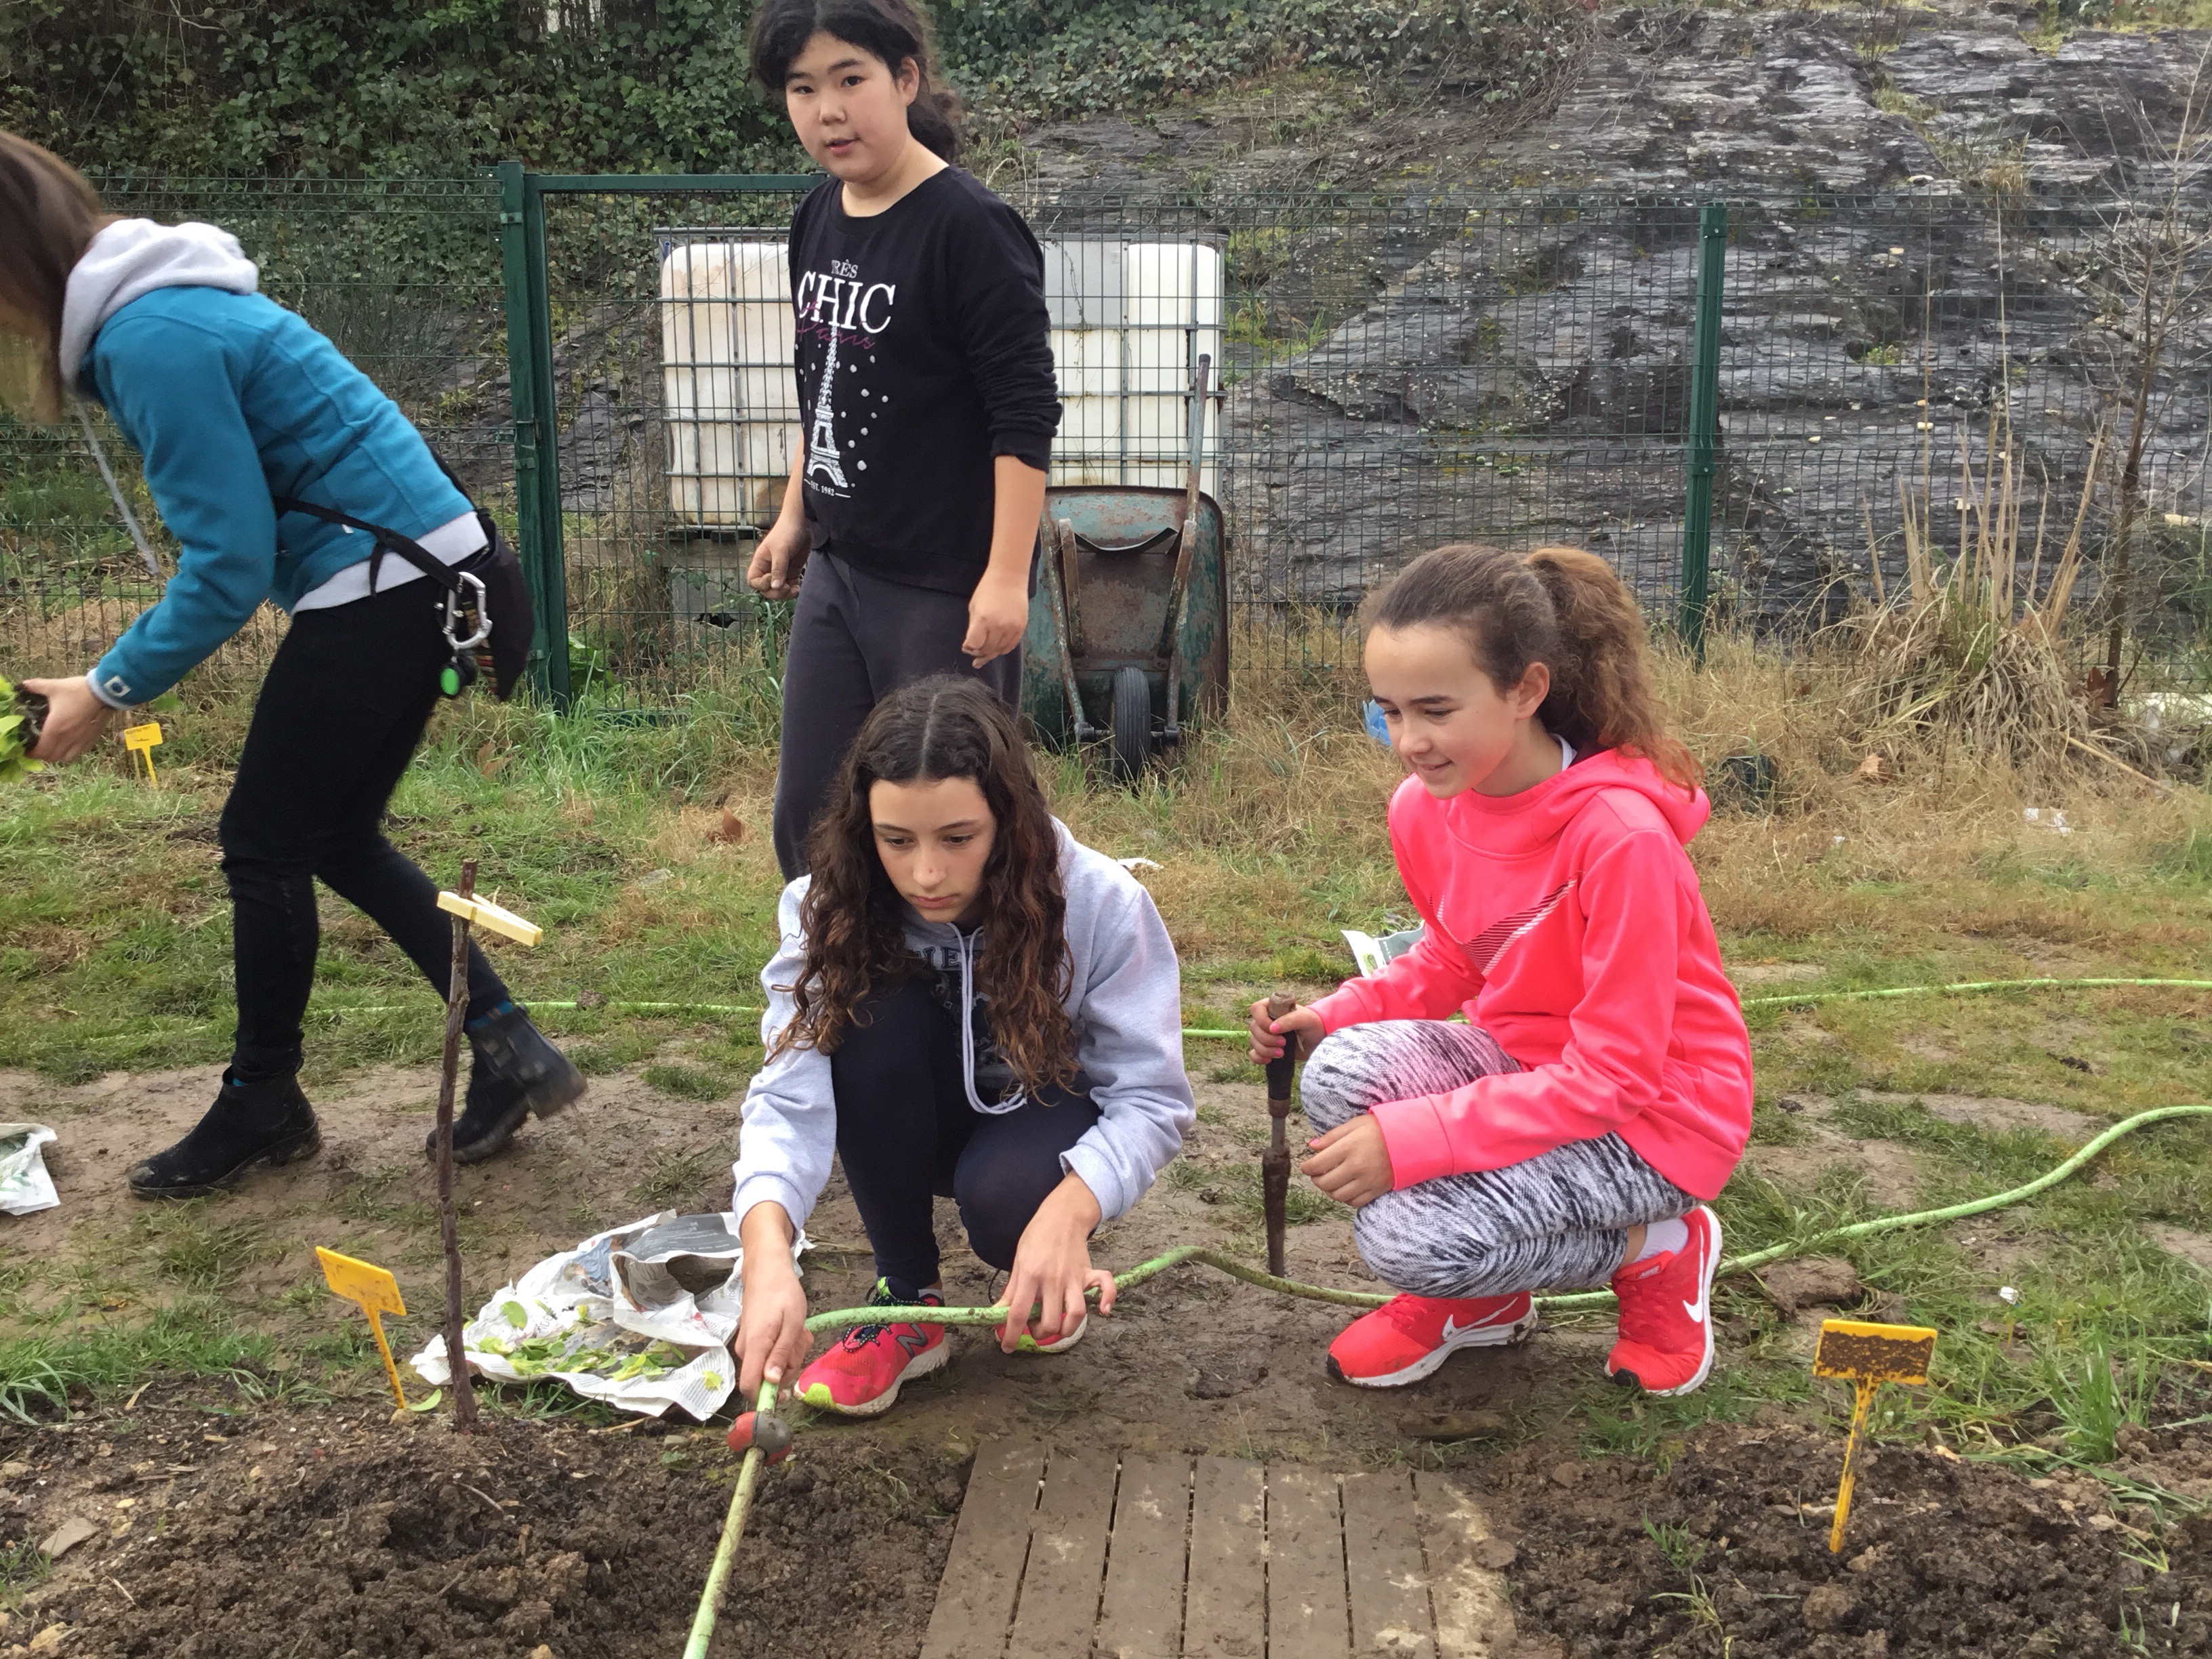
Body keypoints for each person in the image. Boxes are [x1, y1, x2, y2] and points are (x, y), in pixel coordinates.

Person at [0, 133, 584, 1197]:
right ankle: (507, 1047)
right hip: (427, 580)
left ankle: (261, 1100)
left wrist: (107, 688)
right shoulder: (167, 312)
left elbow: (228, 565)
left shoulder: (152, 338)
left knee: (262, 843)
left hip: (390, 591)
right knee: (333, 837)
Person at [1250, 544, 1753, 1396]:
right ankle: (1484, 1301)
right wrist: (1335, 1014)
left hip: (1655, 1119)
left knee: (1408, 1238)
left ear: (1525, 690)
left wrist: (1418, 1140)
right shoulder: (1425, 810)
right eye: (1388, 711)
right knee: (1340, 1073)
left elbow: (1615, 1076)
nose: (1409, 741)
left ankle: (1660, 1248)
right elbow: (1455, 954)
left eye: (1436, 710)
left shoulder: (1621, 840)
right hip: (1529, 1069)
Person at [729, 676, 1193, 1417]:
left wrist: (1069, 1214)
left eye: (958, 838)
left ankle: (1038, 1259)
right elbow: (789, 1090)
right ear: (864, 828)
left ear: (1009, 819)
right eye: (896, 841)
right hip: (904, 1113)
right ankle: (906, 1300)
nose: (926, 874)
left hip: (1040, 1114)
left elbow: (1151, 1097)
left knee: (1006, 1202)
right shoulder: (829, 907)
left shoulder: (1101, 903)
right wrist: (765, 1255)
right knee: (866, 1009)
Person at [745, 0, 1061, 880]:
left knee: (947, 821)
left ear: (906, 79)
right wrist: (795, 516)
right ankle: (831, 966)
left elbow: (1024, 412)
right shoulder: (816, 217)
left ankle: (978, 968)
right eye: (803, 89)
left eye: (851, 79)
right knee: (811, 816)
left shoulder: (970, 227)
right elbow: (823, 386)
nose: (829, 111)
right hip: (840, 571)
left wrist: (1006, 576)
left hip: (944, 588)